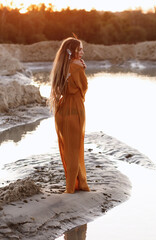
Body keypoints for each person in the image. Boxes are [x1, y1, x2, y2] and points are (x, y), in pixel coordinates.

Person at [49, 36, 90, 193]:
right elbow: (83, 89)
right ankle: (71, 188)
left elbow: (63, 89)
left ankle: (77, 184)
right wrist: (82, 70)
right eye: (79, 49)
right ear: (72, 51)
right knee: (75, 149)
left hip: (62, 109)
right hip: (75, 110)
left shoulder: (62, 66)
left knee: (69, 149)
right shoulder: (77, 66)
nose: (82, 52)